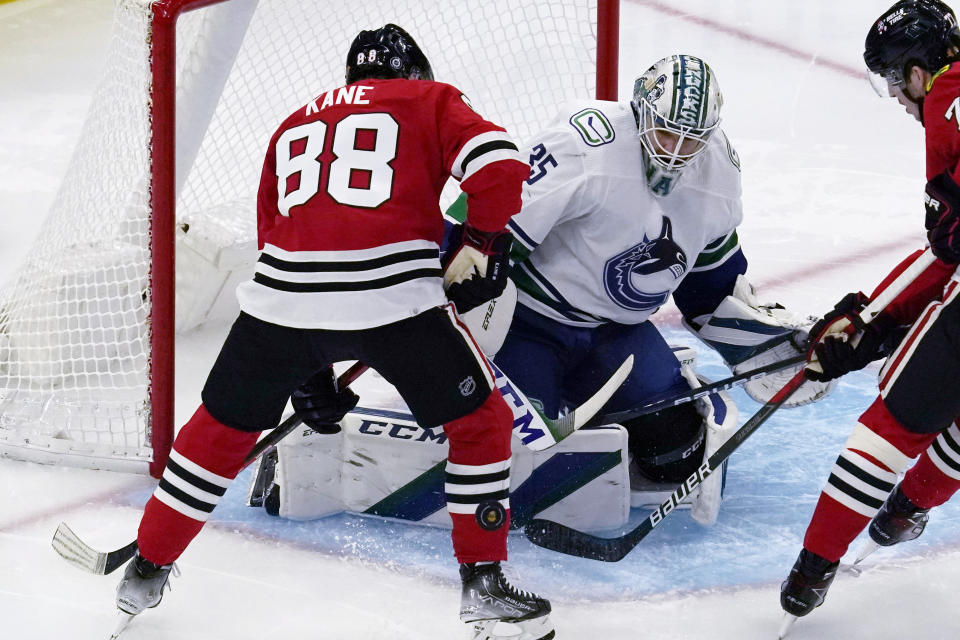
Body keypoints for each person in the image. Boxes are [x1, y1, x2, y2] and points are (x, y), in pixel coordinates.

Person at [114, 24, 554, 640]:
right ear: (416, 75)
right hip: (394, 299)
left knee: (218, 430)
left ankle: (147, 565)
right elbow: (502, 166)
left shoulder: (291, 124)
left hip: (280, 306)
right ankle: (482, 583)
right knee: (480, 423)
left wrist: (310, 369)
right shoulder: (428, 101)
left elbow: (278, 247)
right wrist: (481, 242)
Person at [447, 53, 834, 525]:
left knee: (678, 451)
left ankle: (598, 412)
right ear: (640, 109)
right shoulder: (583, 144)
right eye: (667, 131)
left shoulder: (719, 176)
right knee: (525, 454)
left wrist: (763, 341)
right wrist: (446, 322)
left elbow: (708, 288)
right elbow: (475, 232)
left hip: (614, 334)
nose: (675, 151)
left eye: (691, 140)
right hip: (524, 323)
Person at [779, 0, 960, 627]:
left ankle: (811, 571)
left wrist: (869, 321)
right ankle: (906, 511)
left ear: (917, 70)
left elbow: (948, 249)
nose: (898, 96)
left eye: (893, 79)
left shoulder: (949, 98)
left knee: (894, 425)